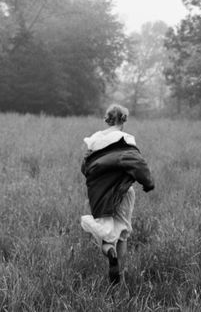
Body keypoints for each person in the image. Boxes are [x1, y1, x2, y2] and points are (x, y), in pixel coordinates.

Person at [80, 104, 155, 284]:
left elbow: (85, 168)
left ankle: (109, 253)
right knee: (122, 232)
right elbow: (139, 165)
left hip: (99, 196)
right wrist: (148, 184)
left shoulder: (94, 142)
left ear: (107, 119)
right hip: (123, 193)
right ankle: (119, 275)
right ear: (124, 120)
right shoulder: (125, 142)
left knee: (105, 233)